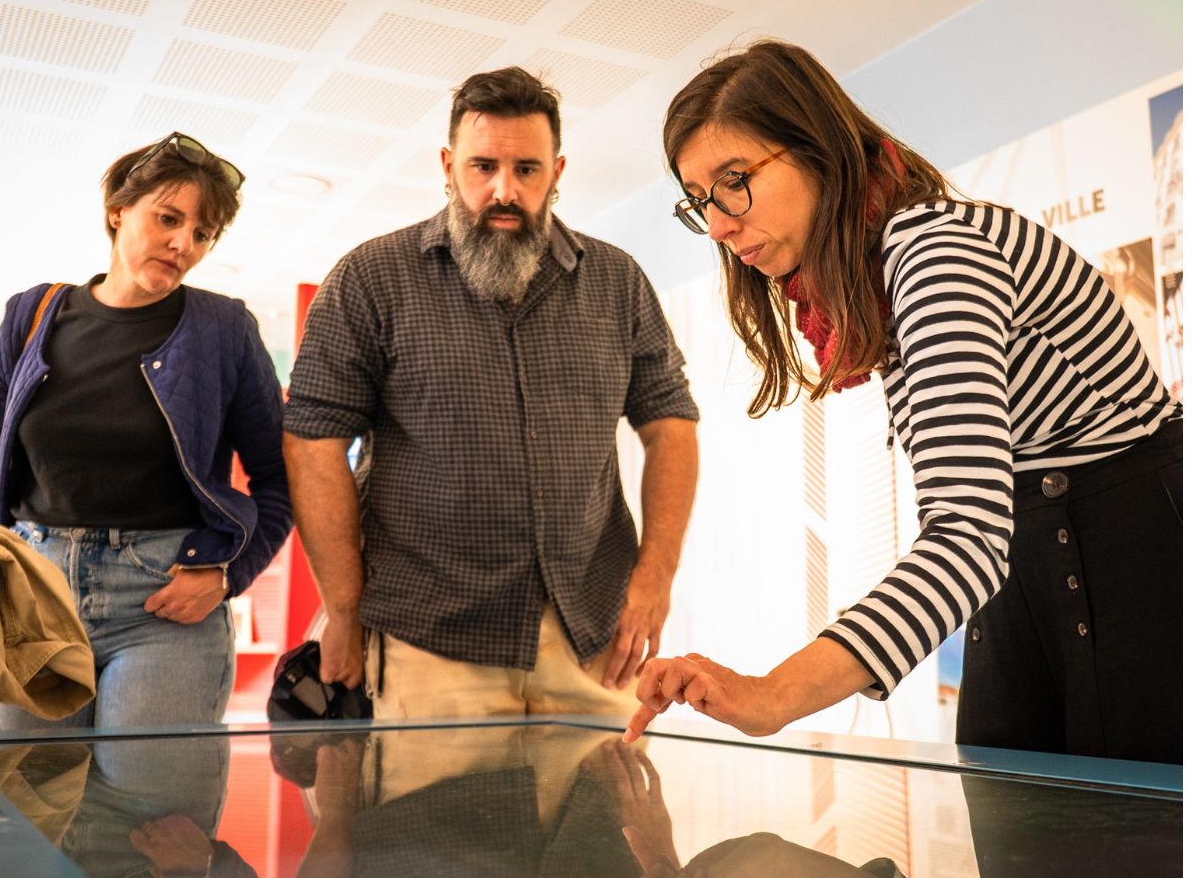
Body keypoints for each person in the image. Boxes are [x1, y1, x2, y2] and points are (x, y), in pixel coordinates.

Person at [624, 41, 1182, 764]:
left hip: (1131, 562)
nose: (721, 226)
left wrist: (772, 694)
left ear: (817, 148)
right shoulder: (880, 272)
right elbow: (980, 529)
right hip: (1024, 563)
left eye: (735, 181)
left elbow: (968, 536)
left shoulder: (936, 252)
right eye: (700, 201)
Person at [284, 67, 700, 719]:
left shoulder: (618, 283)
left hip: (592, 636)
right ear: (449, 166)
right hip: (430, 644)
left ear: (557, 172)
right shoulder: (371, 279)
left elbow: (670, 424)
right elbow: (313, 443)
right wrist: (341, 609)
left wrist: (655, 579)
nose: (505, 190)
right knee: (432, 824)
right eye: (483, 166)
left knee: (603, 819)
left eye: (527, 169)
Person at [0, 132, 291, 730]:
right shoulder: (31, 314)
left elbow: (278, 478)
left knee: (150, 811)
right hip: (34, 595)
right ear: (117, 211)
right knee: (30, 804)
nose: (184, 242)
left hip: (163, 602)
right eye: (168, 218)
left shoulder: (225, 329)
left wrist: (228, 574)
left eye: (204, 233)